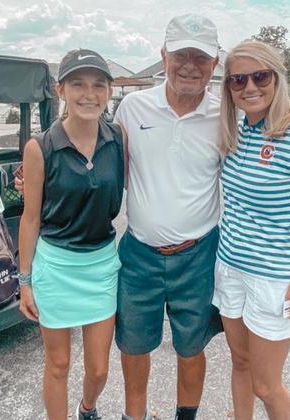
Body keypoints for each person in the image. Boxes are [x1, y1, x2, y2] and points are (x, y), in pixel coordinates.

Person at [214, 40, 290, 420]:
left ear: (277, 78)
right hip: (231, 267)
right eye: (238, 80)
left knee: (266, 385)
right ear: (229, 88)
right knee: (240, 363)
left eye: (260, 76)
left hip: (274, 278)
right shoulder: (237, 131)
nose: (249, 87)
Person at [114, 14, 223, 420]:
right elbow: (105, 164)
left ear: (214, 63)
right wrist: (40, 170)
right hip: (138, 253)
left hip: (199, 254)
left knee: (191, 347)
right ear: (163, 56)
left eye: (201, 57)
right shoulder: (132, 107)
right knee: (133, 345)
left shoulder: (225, 114)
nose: (190, 65)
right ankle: (134, 415)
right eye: (181, 55)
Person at [18, 49, 124, 420]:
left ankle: (87, 408)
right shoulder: (40, 147)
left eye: (98, 85)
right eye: (77, 84)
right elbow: (31, 219)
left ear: (109, 91)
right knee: (58, 364)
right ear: (60, 90)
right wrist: (25, 281)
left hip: (101, 266)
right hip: (56, 268)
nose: (88, 94)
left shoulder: (119, 139)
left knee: (99, 369)